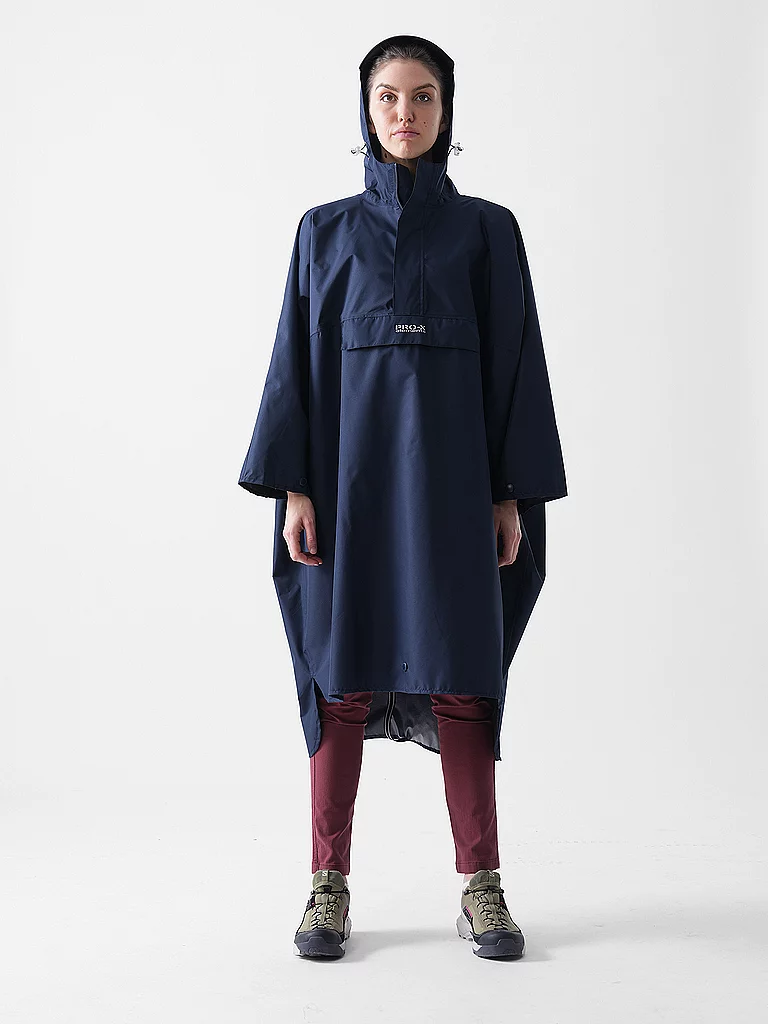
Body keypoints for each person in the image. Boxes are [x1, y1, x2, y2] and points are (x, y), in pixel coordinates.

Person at [238, 34, 567, 961]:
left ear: (446, 110)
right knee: (340, 676)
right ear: (365, 109)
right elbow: (294, 366)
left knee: (464, 674)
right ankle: (327, 885)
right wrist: (296, 487)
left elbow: (515, 368)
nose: (405, 113)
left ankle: (481, 885)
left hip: (456, 491)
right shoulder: (323, 232)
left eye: (423, 97)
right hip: (346, 493)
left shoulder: (488, 232)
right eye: (389, 96)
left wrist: (509, 497)